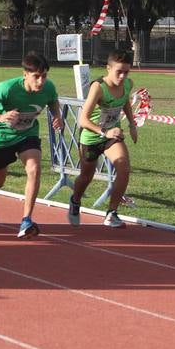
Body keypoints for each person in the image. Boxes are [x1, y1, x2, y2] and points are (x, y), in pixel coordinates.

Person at [0, 52, 63, 239]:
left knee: (34, 169)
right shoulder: (6, 88)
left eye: (44, 76)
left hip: (28, 135)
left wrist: (57, 116)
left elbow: (53, 101)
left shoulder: (49, 88)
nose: (41, 81)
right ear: (25, 75)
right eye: (36, 76)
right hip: (3, 137)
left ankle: (26, 220)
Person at [67, 50, 138, 229]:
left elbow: (126, 102)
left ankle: (111, 213)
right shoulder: (99, 87)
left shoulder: (128, 84)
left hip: (113, 136)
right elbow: (83, 119)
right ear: (108, 68)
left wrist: (132, 124)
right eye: (118, 72)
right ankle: (75, 200)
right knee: (86, 177)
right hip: (91, 137)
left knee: (123, 167)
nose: (122, 76)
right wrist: (104, 131)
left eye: (126, 72)